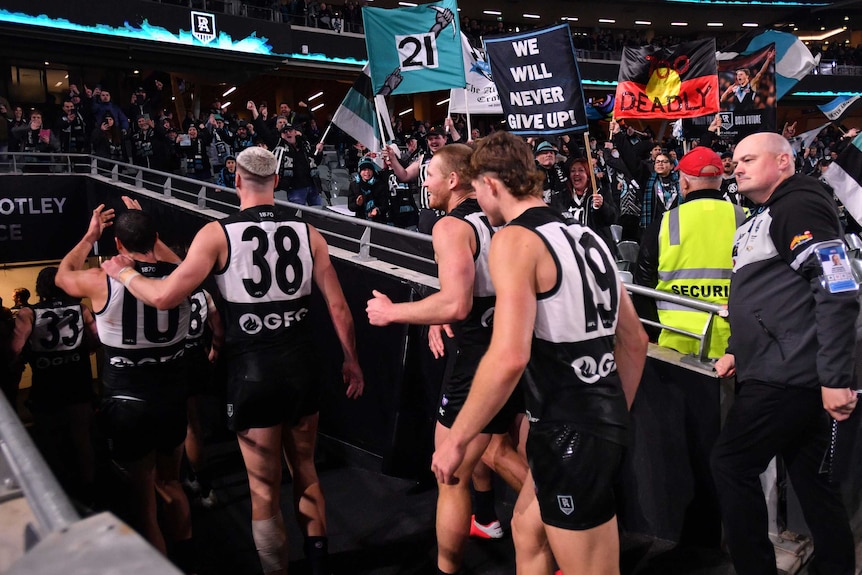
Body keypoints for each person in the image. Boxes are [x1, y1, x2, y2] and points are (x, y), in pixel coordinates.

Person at [101, 146, 364, 575]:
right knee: (306, 471)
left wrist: (124, 273)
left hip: (252, 373)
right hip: (301, 366)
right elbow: (338, 307)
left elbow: (165, 295)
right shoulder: (309, 232)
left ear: (236, 180)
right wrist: (351, 359)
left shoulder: (217, 234)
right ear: (277, 181)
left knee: (263, 491)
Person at [431, 131, 648, 574]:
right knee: (527, 531)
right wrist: (609, 416)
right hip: (590, 418)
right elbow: (636, 341)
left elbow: (508, 356)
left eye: (477, 189)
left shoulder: (514, 239)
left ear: (490, 185)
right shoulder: (584, 234)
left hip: (569, 424)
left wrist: (457, 439)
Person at [366, 143, 528, 575]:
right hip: (518, 343)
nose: (425, 183)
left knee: (450, 473)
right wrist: (439, 312)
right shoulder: (503, 215)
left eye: (430, 175)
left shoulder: (451, 227)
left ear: (453, 180)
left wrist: (392, 313)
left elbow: (457, 304)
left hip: (478, 355)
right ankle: (539, 519)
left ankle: (449, 567)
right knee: (498, 449)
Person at [711, 132, 858, 575]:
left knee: (731, 463)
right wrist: (739, 348)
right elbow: (770, 295)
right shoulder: (771, 213)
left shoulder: (799, 205)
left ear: (783, 162)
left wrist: (835, 376)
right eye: (735, 160)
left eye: (749, 159)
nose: (736, 167)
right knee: (813, 483)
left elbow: (838, 286)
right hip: (778, 366)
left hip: (785, 374)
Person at [54, 204, 195, 572]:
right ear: (155, 239)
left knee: (143, 501)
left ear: (117, 243)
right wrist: (152, 234)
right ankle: (188, 562)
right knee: (172, 482)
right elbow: (171, 260)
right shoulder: (182, 277)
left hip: (127, 403)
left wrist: (89, 237)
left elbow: (62, 276)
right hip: (171, 399)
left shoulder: (100, 279)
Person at [633, 146, 746, 356]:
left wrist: (652, 332)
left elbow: (643, 284)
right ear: (721, 180)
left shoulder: (664, 223)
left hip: (676, 339)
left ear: (683, 183)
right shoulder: (745, 219)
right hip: (734, 340)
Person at [10, 267, 99, 502]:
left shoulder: (28, 313)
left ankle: (56, 488)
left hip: (46, 382)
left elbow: (15, 348)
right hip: (77, 380)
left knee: (49, 437)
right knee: (82, 437)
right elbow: (96, 339)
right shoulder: (80, 308)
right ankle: (89, 488)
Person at [347, 156, 389, 223]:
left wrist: (377, 210)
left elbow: (385, 205)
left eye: (369, 169)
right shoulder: (354, 185)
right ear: (360, 171)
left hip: (378, 222)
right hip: (360, 222)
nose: (367, 172)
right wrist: (357, 204)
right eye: (364, 169)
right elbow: (350, 207)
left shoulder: (380, 184)